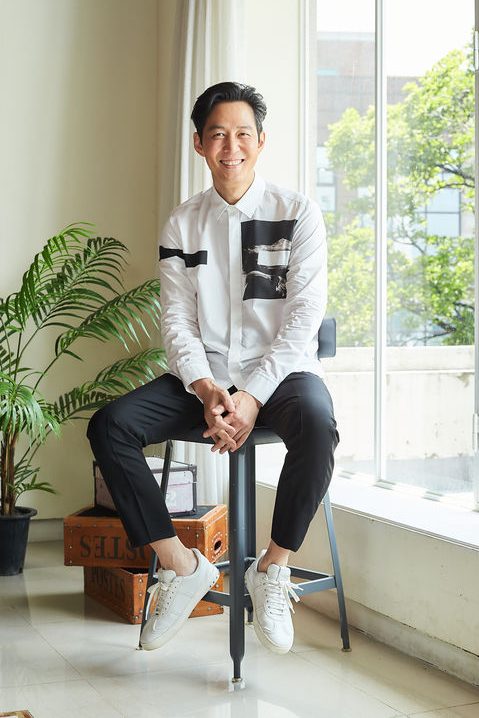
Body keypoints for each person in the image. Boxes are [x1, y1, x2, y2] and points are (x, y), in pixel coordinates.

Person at [87, 81, 339, 656]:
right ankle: (182, 566)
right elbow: (177, 321)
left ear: (261, 141)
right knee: (110, 425)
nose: (232, 146)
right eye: (218, 135)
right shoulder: (183, 223)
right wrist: (205, 388)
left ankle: (272, 568)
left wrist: (252, 395)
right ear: (199, 143)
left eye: (243, 134)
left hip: (281, 377)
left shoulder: (297, 213)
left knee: (318, 423)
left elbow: (304, 317)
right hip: (204, 378)